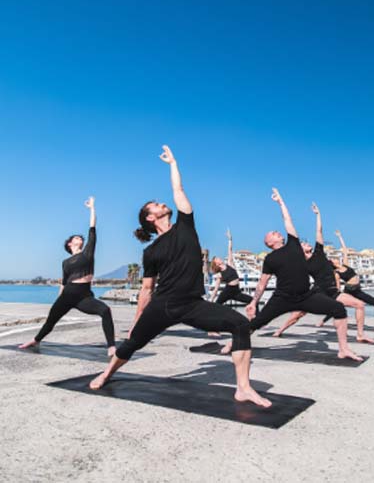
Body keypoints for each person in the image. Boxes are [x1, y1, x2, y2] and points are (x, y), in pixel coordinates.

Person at [88, 146, 270, 408]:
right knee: (132, 344)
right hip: (163, 305)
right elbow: (147, 289)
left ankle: (243, 388)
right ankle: (106, 373)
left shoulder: (186, 226)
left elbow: (179, 192)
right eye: (156, 205)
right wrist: (139, 317)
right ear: (151, 218)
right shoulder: (150, 251)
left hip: (193, 303)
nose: (163, 204)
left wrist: (173, 163)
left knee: (240, 325)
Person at [221, 188, 362, 361]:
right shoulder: (270, 259)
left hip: (305, 296)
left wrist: (280, 202)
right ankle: (233, 343)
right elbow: (262, 283)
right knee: (257, 323)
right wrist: (253, 301)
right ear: (269, 242)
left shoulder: (294, 244)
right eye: (274, 233)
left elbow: (287, 219)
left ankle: (343, 349)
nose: (278, 232)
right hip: (282, 298)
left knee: (338, 309)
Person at [20, 197, 116, 356]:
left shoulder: (88, 252)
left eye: (81, 238)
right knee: (51, 321)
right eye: (77, 238)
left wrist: (92, 208)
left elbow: (92, 228)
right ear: (70, 244)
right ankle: (36, 340)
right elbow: (64, 282)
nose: (81, 239)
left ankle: (111, 346)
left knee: (105, 310)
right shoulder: (65, 262)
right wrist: (59, 299)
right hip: (68, 294)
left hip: (84, 295)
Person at [271, 203, 374, 344]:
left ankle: (360, 335)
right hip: (318, 293)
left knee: (360, 305)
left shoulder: (319, 253)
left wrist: (318, 215)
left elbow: (319, 232)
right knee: (298, 314)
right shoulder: (302, 263)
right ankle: (279, 330)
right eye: (303, 244)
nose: (307, 244)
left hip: (333, 292)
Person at [315, 229, 374, 332]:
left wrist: (340, 237)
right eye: (333, 259)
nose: (335, 258)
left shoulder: (345, 264)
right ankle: (323, 321)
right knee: (337, 305)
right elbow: (337, 286)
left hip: (357, 290)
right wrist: (337, 295)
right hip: (349, 290)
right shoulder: (337, 273)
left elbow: (345, 250)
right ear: (333, 263)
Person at [208, 229, 252, 306]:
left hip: (236, 291)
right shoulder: (220, 274)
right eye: (217, 259)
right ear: (216, 264)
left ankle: (255, 317)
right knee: (217, 305)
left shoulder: (229, 264)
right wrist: (211, 300)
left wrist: (230, 239)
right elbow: (216, 289)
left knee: (252, 300)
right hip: (228, 291)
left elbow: (230, 250)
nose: (219, 258)